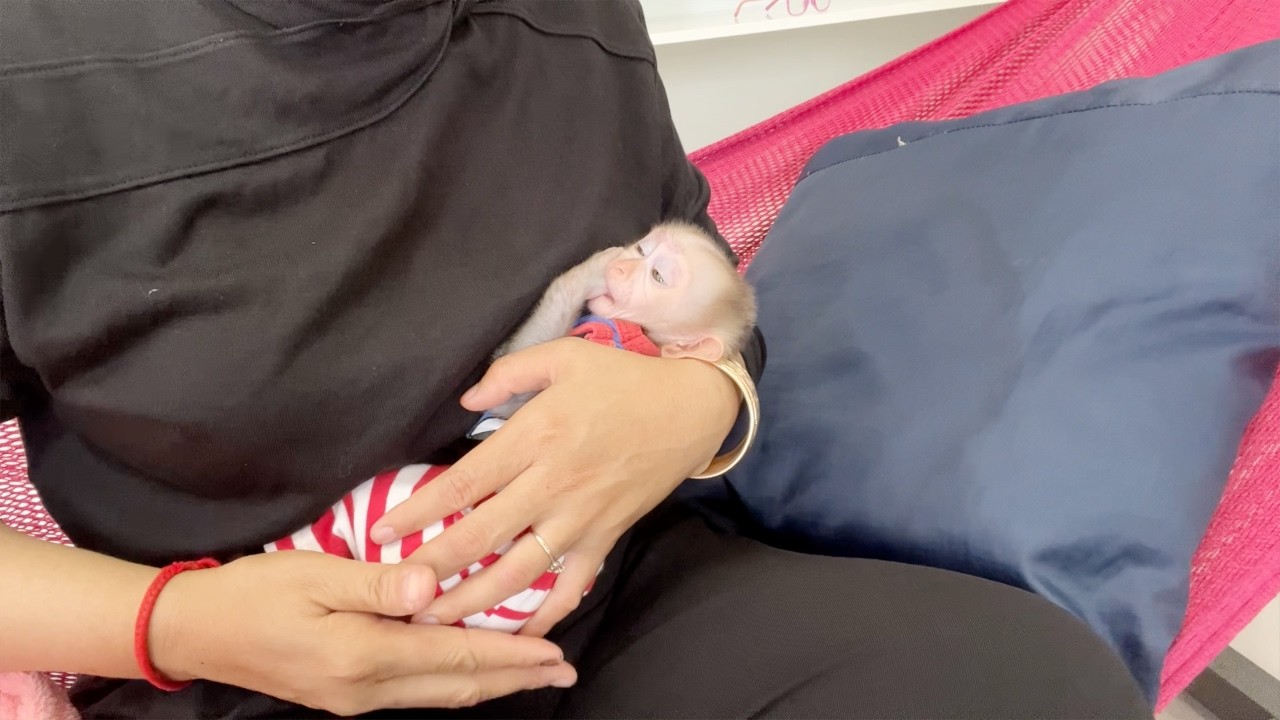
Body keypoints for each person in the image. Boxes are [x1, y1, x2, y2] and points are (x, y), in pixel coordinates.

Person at [0, 1, 1152, 718]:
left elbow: (695, 283)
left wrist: (704, 398)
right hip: (255, 672)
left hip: (616, 597)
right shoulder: (41, 75)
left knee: (1020, 684)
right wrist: (172, 627)